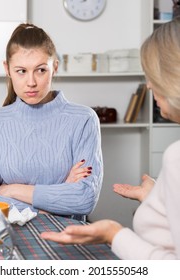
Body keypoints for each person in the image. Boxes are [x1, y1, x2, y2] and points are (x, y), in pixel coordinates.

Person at [41, 17, 180, 259]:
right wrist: (158, 197)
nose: (148, 86)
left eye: (153, 76)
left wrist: (113, 233)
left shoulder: (175, 157)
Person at [0, 23, 103, 221]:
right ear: (7, 69)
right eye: (21, 71)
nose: (31, 82)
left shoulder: (83, 119)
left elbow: (85, 199)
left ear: (55, 67)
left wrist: (12, 190)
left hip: (68, 237)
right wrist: (57, 200)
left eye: (40, 70)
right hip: (10, 235)